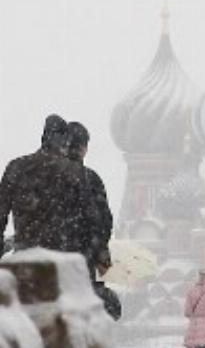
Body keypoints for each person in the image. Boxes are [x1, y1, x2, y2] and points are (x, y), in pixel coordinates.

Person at [0, 116, 89, 254]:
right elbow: (86, 219)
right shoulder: (75, 173)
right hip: (62, 258)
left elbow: (2, 210)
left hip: (25, 256)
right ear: (65, 142)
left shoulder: (17, 167)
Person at [64, 122, 119, 320]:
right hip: (81, 260)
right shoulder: (90, 179)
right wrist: (101, 252)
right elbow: (103, 221)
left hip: (46, 263)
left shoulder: (45, 177)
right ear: (83, 148)